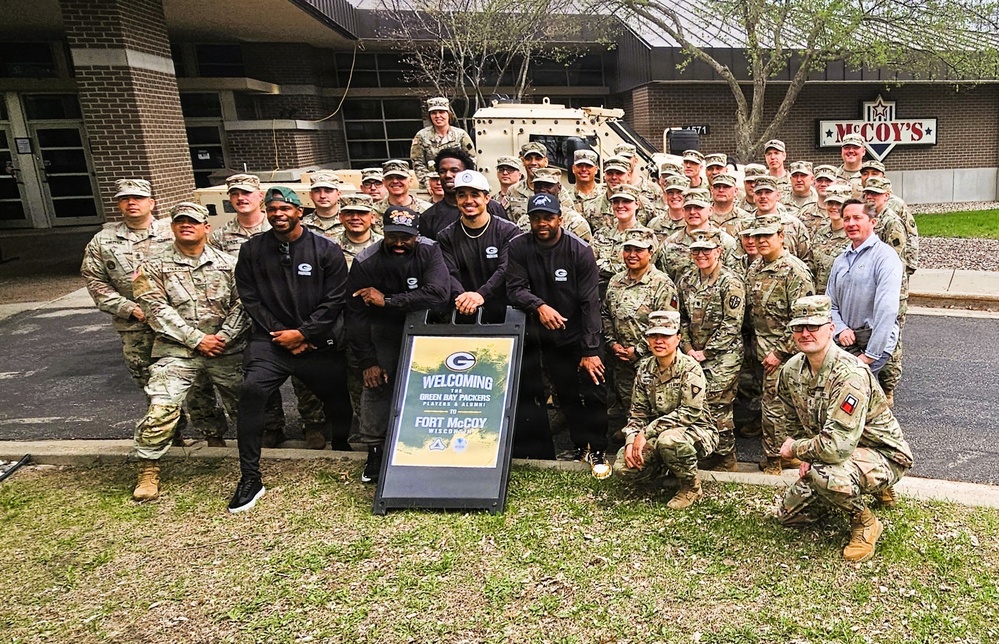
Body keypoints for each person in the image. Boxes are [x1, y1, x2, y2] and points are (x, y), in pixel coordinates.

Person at [228, 187, 351, 513]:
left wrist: (303, 333)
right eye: (272, 209)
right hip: (271, 342)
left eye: (285, 208)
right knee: (252, 391)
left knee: (338, 397)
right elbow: (249, 296)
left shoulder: (325, 250)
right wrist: (279, 334)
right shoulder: (252, 250)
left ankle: (343, 449)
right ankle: (250, 477)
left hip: (316, 340)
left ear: (299, 211)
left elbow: (335, 300)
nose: (278, 214)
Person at [82, 178, 225, 445]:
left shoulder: (174, 231)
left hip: (181, 324)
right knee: (153, 384)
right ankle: (172, 435)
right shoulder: (103, 241)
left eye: (137, 198)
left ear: (152, 203)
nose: (131, 203)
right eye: (125, 199)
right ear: (119, 204)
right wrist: (129, 308)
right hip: (137, 326)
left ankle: (212, 433)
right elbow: (95, 281)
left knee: (197, 381)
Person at [776, 295, 913, 563]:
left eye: (813, 326)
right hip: (836, 451)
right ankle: (856, 487)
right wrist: (806, 453)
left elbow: (836, 447)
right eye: (799, 327)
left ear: (830, 328)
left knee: (826, 473)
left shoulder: (850, 374)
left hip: (884, 454)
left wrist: (799, 451)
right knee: (789, 516)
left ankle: (865, 522)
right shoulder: (792, 370)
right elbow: (790, 416)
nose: (805, 333)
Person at [130, 202, 246, 501]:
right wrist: (197, 340)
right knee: (162, 408)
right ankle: (148, 469)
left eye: (193, 222)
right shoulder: (153, 267)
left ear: (206, 227)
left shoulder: (230, 263)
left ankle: (255, 458)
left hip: (225, 348)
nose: (186, 226)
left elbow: (244, 304)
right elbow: (154, 308)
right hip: (176, 351)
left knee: (250, 404)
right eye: (180, 222)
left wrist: (223, 337)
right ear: (172, 227)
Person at [438, 170, 553, 458]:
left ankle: (532, 451)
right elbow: (446, 272)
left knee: (523, 386)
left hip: (508, 318)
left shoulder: (508, 232)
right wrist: (462, 295)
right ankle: (479, 448)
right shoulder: (446, 236)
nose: (468, 201)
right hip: (465, 316)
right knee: (478, 386)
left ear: (487, 198)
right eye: (462, 195)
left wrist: (481, 294)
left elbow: (507, 270)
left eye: (475, 195)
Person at [507, 193, 610, 478]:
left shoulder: (579, 250)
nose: (542, 223)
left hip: (583, 332)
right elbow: (514, 288)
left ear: (559, 219)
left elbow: (590, 302)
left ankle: (599, 449)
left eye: (548, 217)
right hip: (550, 337)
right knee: (566, 394)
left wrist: (590, 350)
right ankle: (581, 447)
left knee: (594, 390)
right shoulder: (519, 247)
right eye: (536, 217)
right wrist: (538, 305)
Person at [347, 205, 450, 483]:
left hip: (428, 328)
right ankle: (376, 452)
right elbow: (355, 316)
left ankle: (427, 447)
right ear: (383, 232)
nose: (400, 243)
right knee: (377, 385)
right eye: (394, 236)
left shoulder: (430, 251)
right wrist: (367, 361)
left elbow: (440, 294)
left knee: (432, 388)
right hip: (384, 330)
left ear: (417, 234)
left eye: (406, 237)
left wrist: (389, 300)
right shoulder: (366, 261)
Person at [209, 173, 289, 446]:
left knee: (280, 366)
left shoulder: (280, 225)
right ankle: (266, 426)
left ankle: (280, 423)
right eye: (235, 194)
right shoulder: (219, 236)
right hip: (238, 313)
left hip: (276, 311)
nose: (240, 199)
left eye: (246, 193)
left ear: (260, 197)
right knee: (252, 373)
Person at [612, 310, 718, 509]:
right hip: (657, 433)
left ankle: (691, 487)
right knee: (623, 468)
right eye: (653, 335)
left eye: (665, 336)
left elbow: (690, 412)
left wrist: (646, 432)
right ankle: (667, 470)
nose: (658, 341)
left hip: (697, 431)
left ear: (678, 338)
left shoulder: (690, 368)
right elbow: (637, 413)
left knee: (668, 440)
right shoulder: (645, 369)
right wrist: (630, 441)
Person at [745, 213, 816, 475]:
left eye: (767, 236)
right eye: (757, 236)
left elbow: (803, 320)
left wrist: (779, 352)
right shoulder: (755, 267)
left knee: (776, 408)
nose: (762, 241)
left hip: (785, 354)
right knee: (771, 404)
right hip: (759, 350)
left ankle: (776, 459)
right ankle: (784, 453)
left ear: (781, 237)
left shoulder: (794, 271)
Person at [676, 230, 745, 471]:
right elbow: (681, 317)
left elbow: (732, 324)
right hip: (692, 352)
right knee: (696, 402)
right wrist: (686, 346)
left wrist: (706, 353)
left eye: (707, 250)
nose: (701, 254)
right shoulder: (686, 280)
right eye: (696, 250)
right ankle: (709, 450)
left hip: (724, 354)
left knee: (718, 403)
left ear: (719, 252)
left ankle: (726, 457)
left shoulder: (731, 281)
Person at [601, 228, 678, 421]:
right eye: (628, 249)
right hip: (621, 358)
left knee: (655, 407)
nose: (632, 255)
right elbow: (606, 314)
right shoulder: (616, 281)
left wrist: (639, 350)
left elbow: (668, 323)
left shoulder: (662, 283)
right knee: (630, 403)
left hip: (651, 359)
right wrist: (612, 344)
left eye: (639, 250)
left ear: (650, 252)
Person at [827, 200, 903, 377]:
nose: (851, 224)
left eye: (857, 218)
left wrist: (870, 356)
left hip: (874, 345)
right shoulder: (841, 260)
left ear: (872, 222)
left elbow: (887, 310)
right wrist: (840, 329)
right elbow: (830, 303)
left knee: (858, 392)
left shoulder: (885, 258)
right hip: (845, 342)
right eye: (846, 219)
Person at [419, 148, 505, 241]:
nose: (447, 175)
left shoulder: (493, 207)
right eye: (443, 171)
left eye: (454, 170)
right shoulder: (429, 217)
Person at [655, 188, 738, 284]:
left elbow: (735, 279)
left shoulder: (726, 242)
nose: (692, 212)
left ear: (710, 210)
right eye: (688, 208)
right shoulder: (669, 244)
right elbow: (662, 282)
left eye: (698, 208)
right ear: (683, 211)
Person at [410, 96, 476, 188]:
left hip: (457, 183)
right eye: (434, 113)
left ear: (448, 114)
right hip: (432, 185)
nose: (438, 116)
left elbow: (471, 160)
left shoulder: (461, 135)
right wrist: (427, 181)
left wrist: (465, 180)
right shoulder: (421, 136)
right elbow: (418, 163)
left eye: (441, 112)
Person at [518, 167, 592, 243]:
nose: (542, 190)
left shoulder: (576, 222)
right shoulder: (523, 221)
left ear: (559, 188)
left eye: (548, 186)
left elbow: (583, 251)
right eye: (538, 186)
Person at [810, 183, 851, 292]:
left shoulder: (854, 235)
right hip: (820, 299)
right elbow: (811, 267)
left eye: (838, 204)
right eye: (830, 203)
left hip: (843, 297)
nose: (834, 207)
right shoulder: (820, 234)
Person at [301, 171, 343, 238]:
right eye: (317, 191)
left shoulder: (350, 221)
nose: (322, 196)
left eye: (328, 191)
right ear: (310, 195)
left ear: (338, 194)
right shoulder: (302, 226)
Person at [646, 175, 688, 241]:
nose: (674, 196)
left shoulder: (691, 224)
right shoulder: (654, 224)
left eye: (679, 192)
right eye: (670, 193)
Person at [709, 172, 750, 237]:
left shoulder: (746, 218)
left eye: (726, 187)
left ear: (736, 191)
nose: (721, 190)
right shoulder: (702, 215)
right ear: (712, 190)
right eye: (717, 187)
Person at [567, 149, 602, 223]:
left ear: (596, 169)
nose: (583, 169)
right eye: (580, 166)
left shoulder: (605, 195)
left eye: (588, 166)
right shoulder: (566, 198)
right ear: (573, 169)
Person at [763, 139, 792, 204]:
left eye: (776, 153)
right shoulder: (762, 183)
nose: (772, 157)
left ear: (784, 155)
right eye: (769, 154)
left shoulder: (794, 182)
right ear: (765, 157)